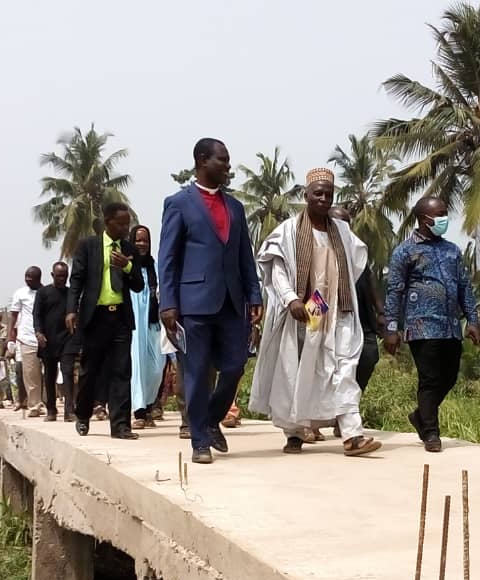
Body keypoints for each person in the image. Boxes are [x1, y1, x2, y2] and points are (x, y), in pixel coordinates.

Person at [249, 168, 382, 457]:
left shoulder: (343, 232)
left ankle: (352, 434)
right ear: (306, 195)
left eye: (328, 194)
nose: (323, 198)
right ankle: (294, 432)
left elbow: (357, 263)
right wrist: (291, 299)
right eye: (318, 193)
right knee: (296, 371)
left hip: (337, 308)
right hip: (307, 310)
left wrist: (337, 287)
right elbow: (276, 266)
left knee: (344, 369)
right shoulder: (288, 230)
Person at [157, 138, 263, 464]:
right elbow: (168, 257)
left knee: (234, 366)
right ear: (203, 160)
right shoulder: (178, 203)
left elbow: (245, 254)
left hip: (232, 302)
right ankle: (200, 441)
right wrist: (168, 303)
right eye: (222, 161)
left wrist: (254, 294)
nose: (228, 167)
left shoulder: (235, 207)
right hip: (194, 304)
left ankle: (210, 419)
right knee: (197, 372)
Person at [383, 196, 480, 453]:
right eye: (439, 214)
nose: (443, 219)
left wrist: (472, 319)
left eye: (445, 213)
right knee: (429, 378)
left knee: (448, 377)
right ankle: (430, 432)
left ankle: (420, 415)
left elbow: (464, 286)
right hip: (421, 327)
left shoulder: (452, 250)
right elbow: (395, 291)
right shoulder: (404, 252)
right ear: (423, 219)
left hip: (450, 326)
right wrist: (391, 329)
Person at [66, 201, 145, 439]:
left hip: (120, 317)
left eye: (127, 223)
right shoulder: (88, 246)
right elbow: (77, 280)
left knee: (122, 371)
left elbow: (139, 285)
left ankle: (120, 426)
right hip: (95, 317)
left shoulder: (129, 248)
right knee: (90, 370)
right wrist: (71, 310)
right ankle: (82, 415)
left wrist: (128, 266)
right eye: (121, 223)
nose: (125, 227)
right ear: (107, 222)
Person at [330, 206, 385, 394]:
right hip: (332, 323)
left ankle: (350, 404)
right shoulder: (320, 249)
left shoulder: (359, 250)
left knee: (369, 357)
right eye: (338, 223)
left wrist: (381, 312)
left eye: (346, 223)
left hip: (363, 322)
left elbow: (370, 282)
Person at [127, 225, 165, 430]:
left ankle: (150, 403)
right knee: (138, 367)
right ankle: (141, 411)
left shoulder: (155, 267)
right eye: (138, 240)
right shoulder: (127, 267)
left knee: (157, 367)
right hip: (134, 324)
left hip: (153, 322)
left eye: (145, 240)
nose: (142, 244)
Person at [33, 261, 74, 422]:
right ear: (52, 275)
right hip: (48, 340)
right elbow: (36, 315)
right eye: (59, 276)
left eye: (65, 276)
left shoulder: (71, 293)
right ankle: (51, 409)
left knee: (68, 373)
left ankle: (69, 410)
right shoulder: (43, 293)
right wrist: (38, 333)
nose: (62, 279)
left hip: (67, 339)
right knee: (49, 376)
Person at [10, 266, 43, 417]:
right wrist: (10, 336)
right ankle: (34, 405)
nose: (28, 279)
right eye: (26, 276)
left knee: (49, 373)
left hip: (45, 338)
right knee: (30, 374)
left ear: (39, 278)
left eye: (31, 277)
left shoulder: (47, 292)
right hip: (27, 338)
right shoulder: (20, 293)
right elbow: (14, 316)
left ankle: (49, 403)